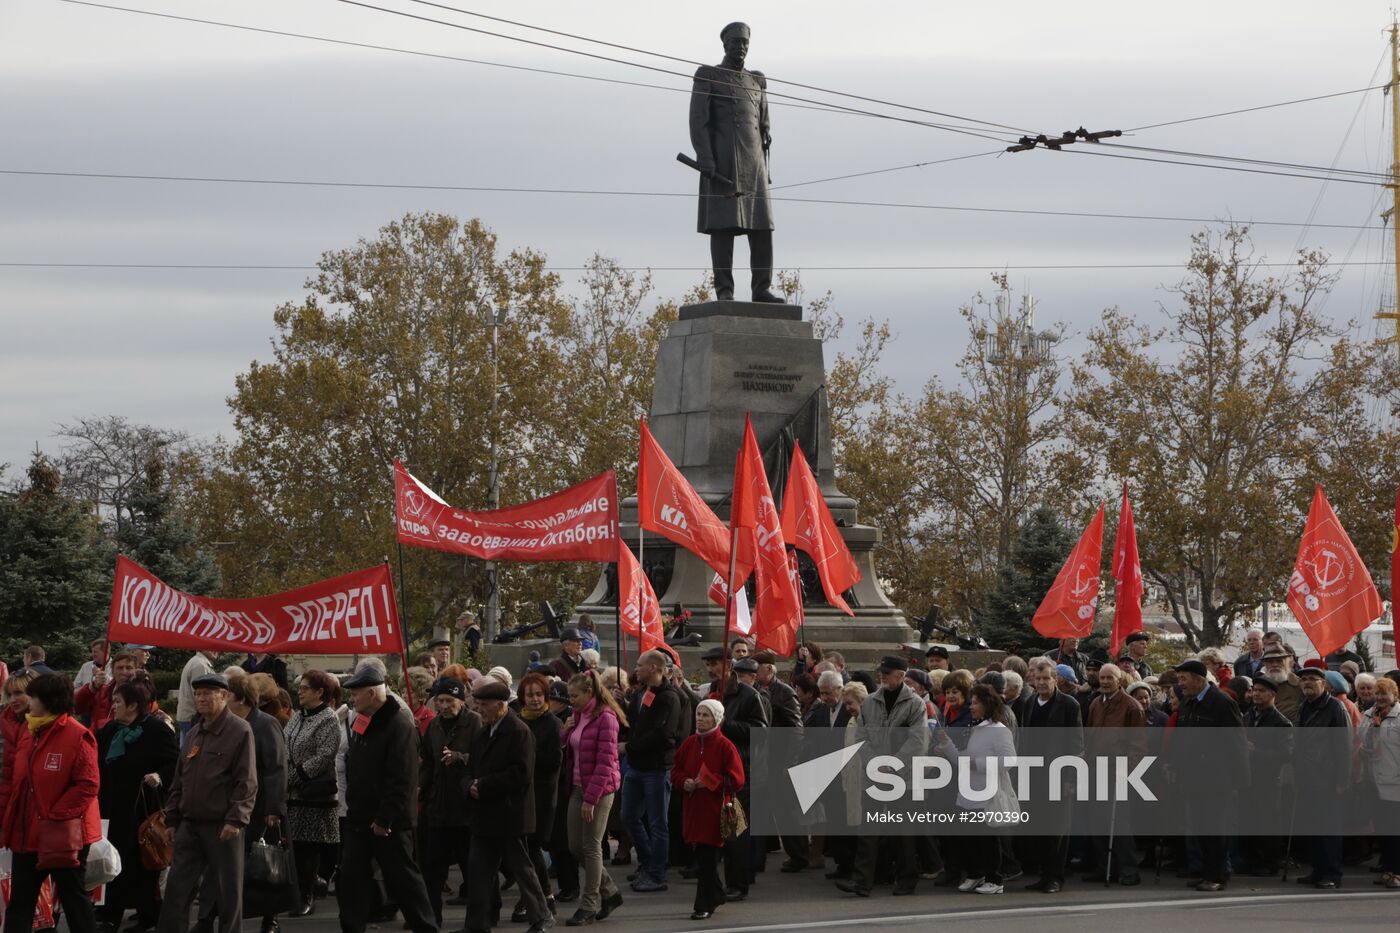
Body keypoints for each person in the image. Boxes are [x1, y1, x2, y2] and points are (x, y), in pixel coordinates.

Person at [688, 21, 783, 304]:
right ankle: (725, 291)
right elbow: (698, 120)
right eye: (735, 43)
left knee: (763, 228)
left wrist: (764, 164)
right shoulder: (708, 75)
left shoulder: (757, 81)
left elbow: (764, 125)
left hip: (754, 164)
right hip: (722, 161)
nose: (740, 48)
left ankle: (761, 288)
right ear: (725, 45)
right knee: (722, 227)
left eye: (744, 43)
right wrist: (705, 156)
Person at [337, 667, 437, 933]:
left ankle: (425, 927)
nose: (352, 699)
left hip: (388, 822)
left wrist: (385, 818)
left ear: (371, 693)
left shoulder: (399, 725)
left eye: (356, 693)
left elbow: (402, 778)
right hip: (359, 817)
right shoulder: (363, 720)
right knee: (351, 879)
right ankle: (352, 927)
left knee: (403, 879)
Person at [0, 673, 101, 933]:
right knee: (20, 902)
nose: (27, 702)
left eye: (32, 696)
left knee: (74, 901)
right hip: (27, 835)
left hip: (64, 837)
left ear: (48, 700)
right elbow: (15, 782)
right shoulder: (30, 732)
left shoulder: (77, 735)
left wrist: (53, 816)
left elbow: (88, 785)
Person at [157, 672, 257, 933]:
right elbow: (179, 780)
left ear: (224, 696)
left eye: (207, 694)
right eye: (198, 694)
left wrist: (236, 818)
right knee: (176, 891)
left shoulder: (239, 730)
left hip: (222, 826)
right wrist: (172, 819)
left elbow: (246, 780)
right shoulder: (194, 733)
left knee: (227, 895)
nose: (201, 699)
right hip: (189, 825)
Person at [464, 678, 555, 933]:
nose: (479, 709)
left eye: (484, 705)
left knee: (522, 869)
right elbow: (471, 767)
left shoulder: (518, 732)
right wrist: (469, 785)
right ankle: (476, 925)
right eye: (478, 704)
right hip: (484, 815)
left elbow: (521, 774)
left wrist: (483, 785)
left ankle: (541, 916)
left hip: (509, 814)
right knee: (479, 872)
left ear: (501, 705)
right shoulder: (484, 731)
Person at [834, 656, 927, 898]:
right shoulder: (871, 702)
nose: (883, 676)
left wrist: (892, 764)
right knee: (868, 832)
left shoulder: (915, 704)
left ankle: (907, 879)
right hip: (875, 776)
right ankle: (862, 882)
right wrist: (877, 764)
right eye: (882, 672)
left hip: (902, 779)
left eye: (888, 672)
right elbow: (861, 738)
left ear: (902, 675)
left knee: (903, 833)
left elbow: (918, 742)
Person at [95, 679, 179, 933]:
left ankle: (149, 913)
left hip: (141, 809)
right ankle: (110, 915)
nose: (114, 707)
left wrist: (159, 776)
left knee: (143, 863)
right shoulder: (110, 731)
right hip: (111, 808)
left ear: (133, 705)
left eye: (118, 702)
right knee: (113, 862)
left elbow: (176, 764)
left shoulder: (157, 730)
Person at [1169, 659, 1248, 892]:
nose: (1180, 684)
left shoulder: (1222, 702)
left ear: (1199, 679)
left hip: (1217, 779)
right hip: (1193, 778)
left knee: (1216, 830)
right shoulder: (1187, 703)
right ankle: (1206, 872)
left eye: (1184, 679)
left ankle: (1217, 876)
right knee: (1201, 829)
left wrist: (1240, 779)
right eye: (1179, 679)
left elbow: (1237, 743)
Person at [938, 683, 1017, 895]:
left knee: (988, 840)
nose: (971, 707)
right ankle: (975, 874)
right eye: (971, 702)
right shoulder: (974, 729)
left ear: (987, 704)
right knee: (967, 837)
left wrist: (979, 764)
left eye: (975, 703)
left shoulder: (999, 731)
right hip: (968, 792)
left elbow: (1009, 760)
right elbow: (964, 761)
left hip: (987, 794)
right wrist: (946, 746)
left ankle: (995, 879)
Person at [561, 670, 626, 925]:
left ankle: (588, 904)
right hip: (578, 787)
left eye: (574, 695)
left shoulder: (606, 718)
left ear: (590, 693)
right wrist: (565, 732)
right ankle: (609, 890)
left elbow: (605, 762)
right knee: (575, 846)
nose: (571, 700)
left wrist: (591, 798)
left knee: (591, 847)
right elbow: (571, 748)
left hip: (599, 789)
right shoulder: (578, 715)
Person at [672, 699, 744, 921]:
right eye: (699, 714)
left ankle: (704, 904)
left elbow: (737, 779)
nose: (700, 719)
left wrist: (709, 782)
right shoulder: (690, 743)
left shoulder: (725, 746)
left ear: (717, 719)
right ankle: (717, 894)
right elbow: (676, 770)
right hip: (694, 809)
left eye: (706, 715)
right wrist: (683, 782)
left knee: (707, 860)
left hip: (715, 812)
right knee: (703, 857)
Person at [1016, 658, 1082, 894]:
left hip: (1058, 774)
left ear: (1056, 679)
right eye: (1038, 678)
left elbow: (1075, 745)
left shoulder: (1069, 705)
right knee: (1038, 828)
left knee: (1057, 830)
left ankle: (1055, 877)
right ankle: (1043, 875)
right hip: (1033, 774)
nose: (1042, 682)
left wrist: (1070, 779)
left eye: (1047, 678)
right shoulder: (1030, 702)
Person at [419, 677, 481, 929]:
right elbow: (428, 761)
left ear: (460, 700)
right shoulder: (433, 726)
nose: (444, 706)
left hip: (466, 808)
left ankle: (481, 917)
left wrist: (459, 758)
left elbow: (483, 758)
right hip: (438, 808)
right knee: (433, 869)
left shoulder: (474, 723)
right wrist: (420, 786)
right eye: (439, 701)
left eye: (449, 700)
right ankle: (431, 918)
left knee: (473, 869)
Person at [623, 649, 684, 893]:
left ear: (653, 668)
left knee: (658, 823)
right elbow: (636, 724)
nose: (636, 669)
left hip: (656, 769)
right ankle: (648, 862)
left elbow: (663, 734)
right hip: (637, 767)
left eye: (640, 665)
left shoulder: (669, 698)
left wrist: (628, 746)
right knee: (629, 816)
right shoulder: (643, 693)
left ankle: (657, 873)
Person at [284, 670, 341, 918]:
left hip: (314, 793)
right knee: (295, 847)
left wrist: (295, 776)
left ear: (320, 692)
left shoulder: (328, 719)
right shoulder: (296, 716)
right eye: (300, 687)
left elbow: (324, 755)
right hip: (292, 794)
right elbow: (285, 746)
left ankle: (308, 894)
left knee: (309, 848)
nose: (300, 692)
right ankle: (300, 891)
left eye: (305, 688)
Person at [1082, 665, 1144, 886]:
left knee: (1119, 825)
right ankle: (1105, 867)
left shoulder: (1131, 707)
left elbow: (1138, 746)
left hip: (1117, 774)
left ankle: (1129, 870)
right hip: (1094, 770)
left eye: (1110, 678)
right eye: (1102, 678)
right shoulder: (1096, 704)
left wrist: (1125, 770)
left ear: (1120, 681)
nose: (1106, 681)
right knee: (1097, 822)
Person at [1294, 665, 1350, 889]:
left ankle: (1332, 873)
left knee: (1329, 830)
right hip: (1308, 778)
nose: (1307, 682)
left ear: (1324, 683)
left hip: (1328, 779)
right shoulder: (1304, 707)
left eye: (1312, 679)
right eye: (1304, 679)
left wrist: (1341, 781)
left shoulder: (1335, 708)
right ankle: (1318, 870)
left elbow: (1343, 747)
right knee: (1314, 827)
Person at [516, 673, 564, 918]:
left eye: (539, 694)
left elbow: (554, 761)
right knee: (523, 848)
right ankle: (538, 896)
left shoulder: (553, 724)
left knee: (532, 847)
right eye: (530, 695)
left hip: (543, 795)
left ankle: (542, 897)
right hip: (520, 795)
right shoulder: (518, 720)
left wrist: (526, 757)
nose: (535, 700)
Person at [1238, 675, 1293, 876]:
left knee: (1267, 821)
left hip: (1269, 779)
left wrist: (1256, 752)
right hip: (1249, 777)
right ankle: (1250, 859)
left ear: (1272, 695)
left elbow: (1286, 753)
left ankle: (1269, 862)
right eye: (1255, 690)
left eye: (1262, 691)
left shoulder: (1281, 723)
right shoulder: (1248, 716)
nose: (1256, 694)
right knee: (1249, 819)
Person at [1360, 677, 1400, 888]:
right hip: (1374, 780)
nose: (1381, 697)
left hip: (1395, 781)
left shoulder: (1398, 716)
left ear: (1395, 695)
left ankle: (1397, 871)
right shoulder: (1369, 715)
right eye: (1378, 693)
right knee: (1383, 828)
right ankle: (1388, 868)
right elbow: (1363, 742)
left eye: (1385, 693)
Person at [74, 649, 141, 733]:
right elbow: (77, 707)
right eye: (120, 668)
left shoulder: (142, 694)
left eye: (129, 668)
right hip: (98, 741)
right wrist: (92, 687)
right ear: (112, 671)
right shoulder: (102, 692)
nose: (124, 672)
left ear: (136, 670)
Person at [176, 649, 220, 738]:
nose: (216, 650)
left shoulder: (198, 662)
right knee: (192, 749)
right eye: (211, 647)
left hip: (189, 716)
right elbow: (199, 695)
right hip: (192, 717)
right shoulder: (200, 665)